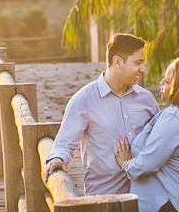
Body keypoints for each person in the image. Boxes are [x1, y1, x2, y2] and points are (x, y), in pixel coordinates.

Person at [41, 33, 159, 195]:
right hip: (104, 198)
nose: (143, 69)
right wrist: (57, 158)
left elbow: (161, 138)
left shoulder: (147, 99)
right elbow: (65, 143)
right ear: (117, 61)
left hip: (147, 197)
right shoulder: (84, 100)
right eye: (138, 63)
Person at [112, 57, 179, 212]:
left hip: (171, 202)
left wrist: (126, 164)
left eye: (167, 80)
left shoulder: (173, 117)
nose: (161, 83)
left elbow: (147, 162)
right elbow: (167, 150)